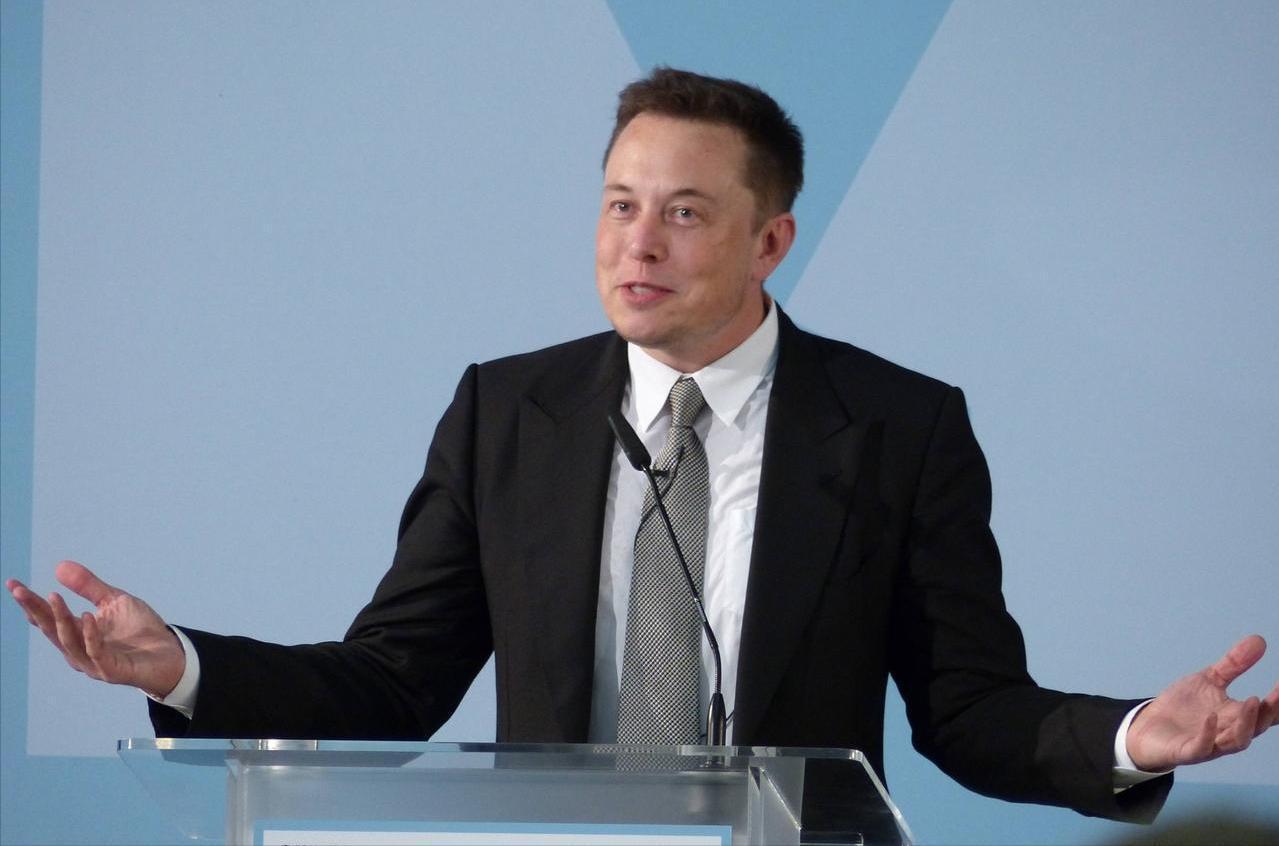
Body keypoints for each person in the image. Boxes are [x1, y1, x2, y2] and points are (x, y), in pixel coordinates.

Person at [7, 68, 1275, 824]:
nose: (637, 244)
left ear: (769, 243)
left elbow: (967, 709)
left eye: (682, 213)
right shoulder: (507, 412)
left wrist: (1128, 739)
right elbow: (392, 681)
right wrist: (183, 667)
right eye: (619, 205)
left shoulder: (898, 427)